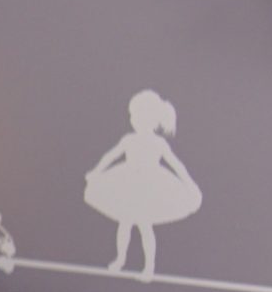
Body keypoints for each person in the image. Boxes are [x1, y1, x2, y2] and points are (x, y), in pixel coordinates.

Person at [84, 90, 203, 279]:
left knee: (144, 226)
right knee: (125, 223)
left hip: (149, 189)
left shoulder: (159, 143)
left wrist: (189, 183)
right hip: (128, 184)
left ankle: (148, 267)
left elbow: (175, 164)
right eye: (133, 116)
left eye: (138, 116)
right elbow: (111, 156)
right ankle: (120, 259)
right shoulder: (129, 140)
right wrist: (96, 171)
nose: (134, 120)